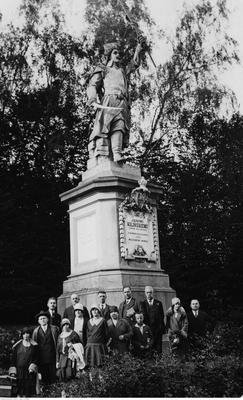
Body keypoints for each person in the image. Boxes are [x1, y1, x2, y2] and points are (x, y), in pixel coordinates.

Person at [87, 36, 145, 163]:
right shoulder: (103, 69)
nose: (118, 55)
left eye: (119, 53)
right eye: (115, 52)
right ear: (109, 55)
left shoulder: (123, 70)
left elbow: (134, 63)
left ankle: (117, 154)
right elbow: (92, 85)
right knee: (104, 128)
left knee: (119, 126)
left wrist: (138, 48)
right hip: (108, 101)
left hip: (121, 102)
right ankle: (102, 155)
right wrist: (92, 98)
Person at [9, 327, 39, 397]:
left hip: (29, 372)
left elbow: (36, 358)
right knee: (18, 390)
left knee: (27, 391)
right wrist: (13, 371)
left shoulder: (34, 346)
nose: (26, 335)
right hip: (19, 371)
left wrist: (32, 367)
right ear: (22, 335)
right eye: (24, 334)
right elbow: (13, 359)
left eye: (27, 333)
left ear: (30, 335)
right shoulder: (17, 346)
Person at [32, 310, 59, 385]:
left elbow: (59, 342)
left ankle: (53, 391)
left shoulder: (54, 329)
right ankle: (45, 391)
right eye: (41, 319)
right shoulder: (36, 331)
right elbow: (34, 346)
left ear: (47, 319)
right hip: (42, 358)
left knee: (53, 376)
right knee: (44, 377)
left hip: (52, 357)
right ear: (38, 321)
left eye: (44, 318)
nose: (42, 320)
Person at [139, 286, 165, 354]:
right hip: (148, 329)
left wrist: (160, 328)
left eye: (150, 292)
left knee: (158, 347)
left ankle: (159, 362)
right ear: (145, 293)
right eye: (147, 292)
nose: (149, 294)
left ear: (152, 293)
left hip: (157, 329)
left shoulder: (158, 303)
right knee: (149, 347)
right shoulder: (142, 303)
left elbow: (162, 316)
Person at [85, 305, 108, 380]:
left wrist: (103, 343)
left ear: (99, 311)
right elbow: (87, 333)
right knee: (91, 365)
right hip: (90, 346)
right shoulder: (89, 321)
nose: (94, 311)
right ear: (91, 312)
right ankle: (92, 382)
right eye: (93, 310)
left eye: (96, 310)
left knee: (100, 365)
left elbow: (106, 333)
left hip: (99, 346)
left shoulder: (103, 320)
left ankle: (101, 383)